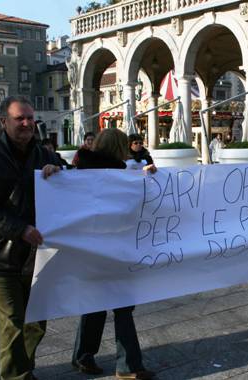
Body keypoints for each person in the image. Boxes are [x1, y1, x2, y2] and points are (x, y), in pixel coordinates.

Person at [0, 96, 63, 380]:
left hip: (38, 255)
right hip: (0, 256)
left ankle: (23, 368)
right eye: (20, 118)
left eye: (30, 118)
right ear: (3, 121)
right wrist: (20, 229)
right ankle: (15, 376)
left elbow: (72, 184)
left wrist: (59, 172)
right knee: (13, 322)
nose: (27, 123)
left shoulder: (44, 154)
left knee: (37, 324)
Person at [71, 129, 156, 380]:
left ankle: (83, 356)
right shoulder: (118, 169)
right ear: (119, 146)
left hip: (89, 244)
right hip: (116, 242)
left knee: (96, 303)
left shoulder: (81, 167)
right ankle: (128, 366)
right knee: (122, 304)